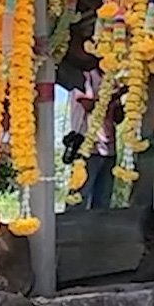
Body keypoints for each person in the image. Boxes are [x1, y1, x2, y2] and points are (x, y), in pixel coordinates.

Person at [68, 68, 118, 210]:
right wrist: (113, 96)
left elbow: (118, 118)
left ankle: (96, 231)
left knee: (103, 201)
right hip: (87, 146)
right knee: (79, 198)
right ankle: (72, 230)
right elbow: (88, 104)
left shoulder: (111, 78)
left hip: (109, 148)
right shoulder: (84, 76)